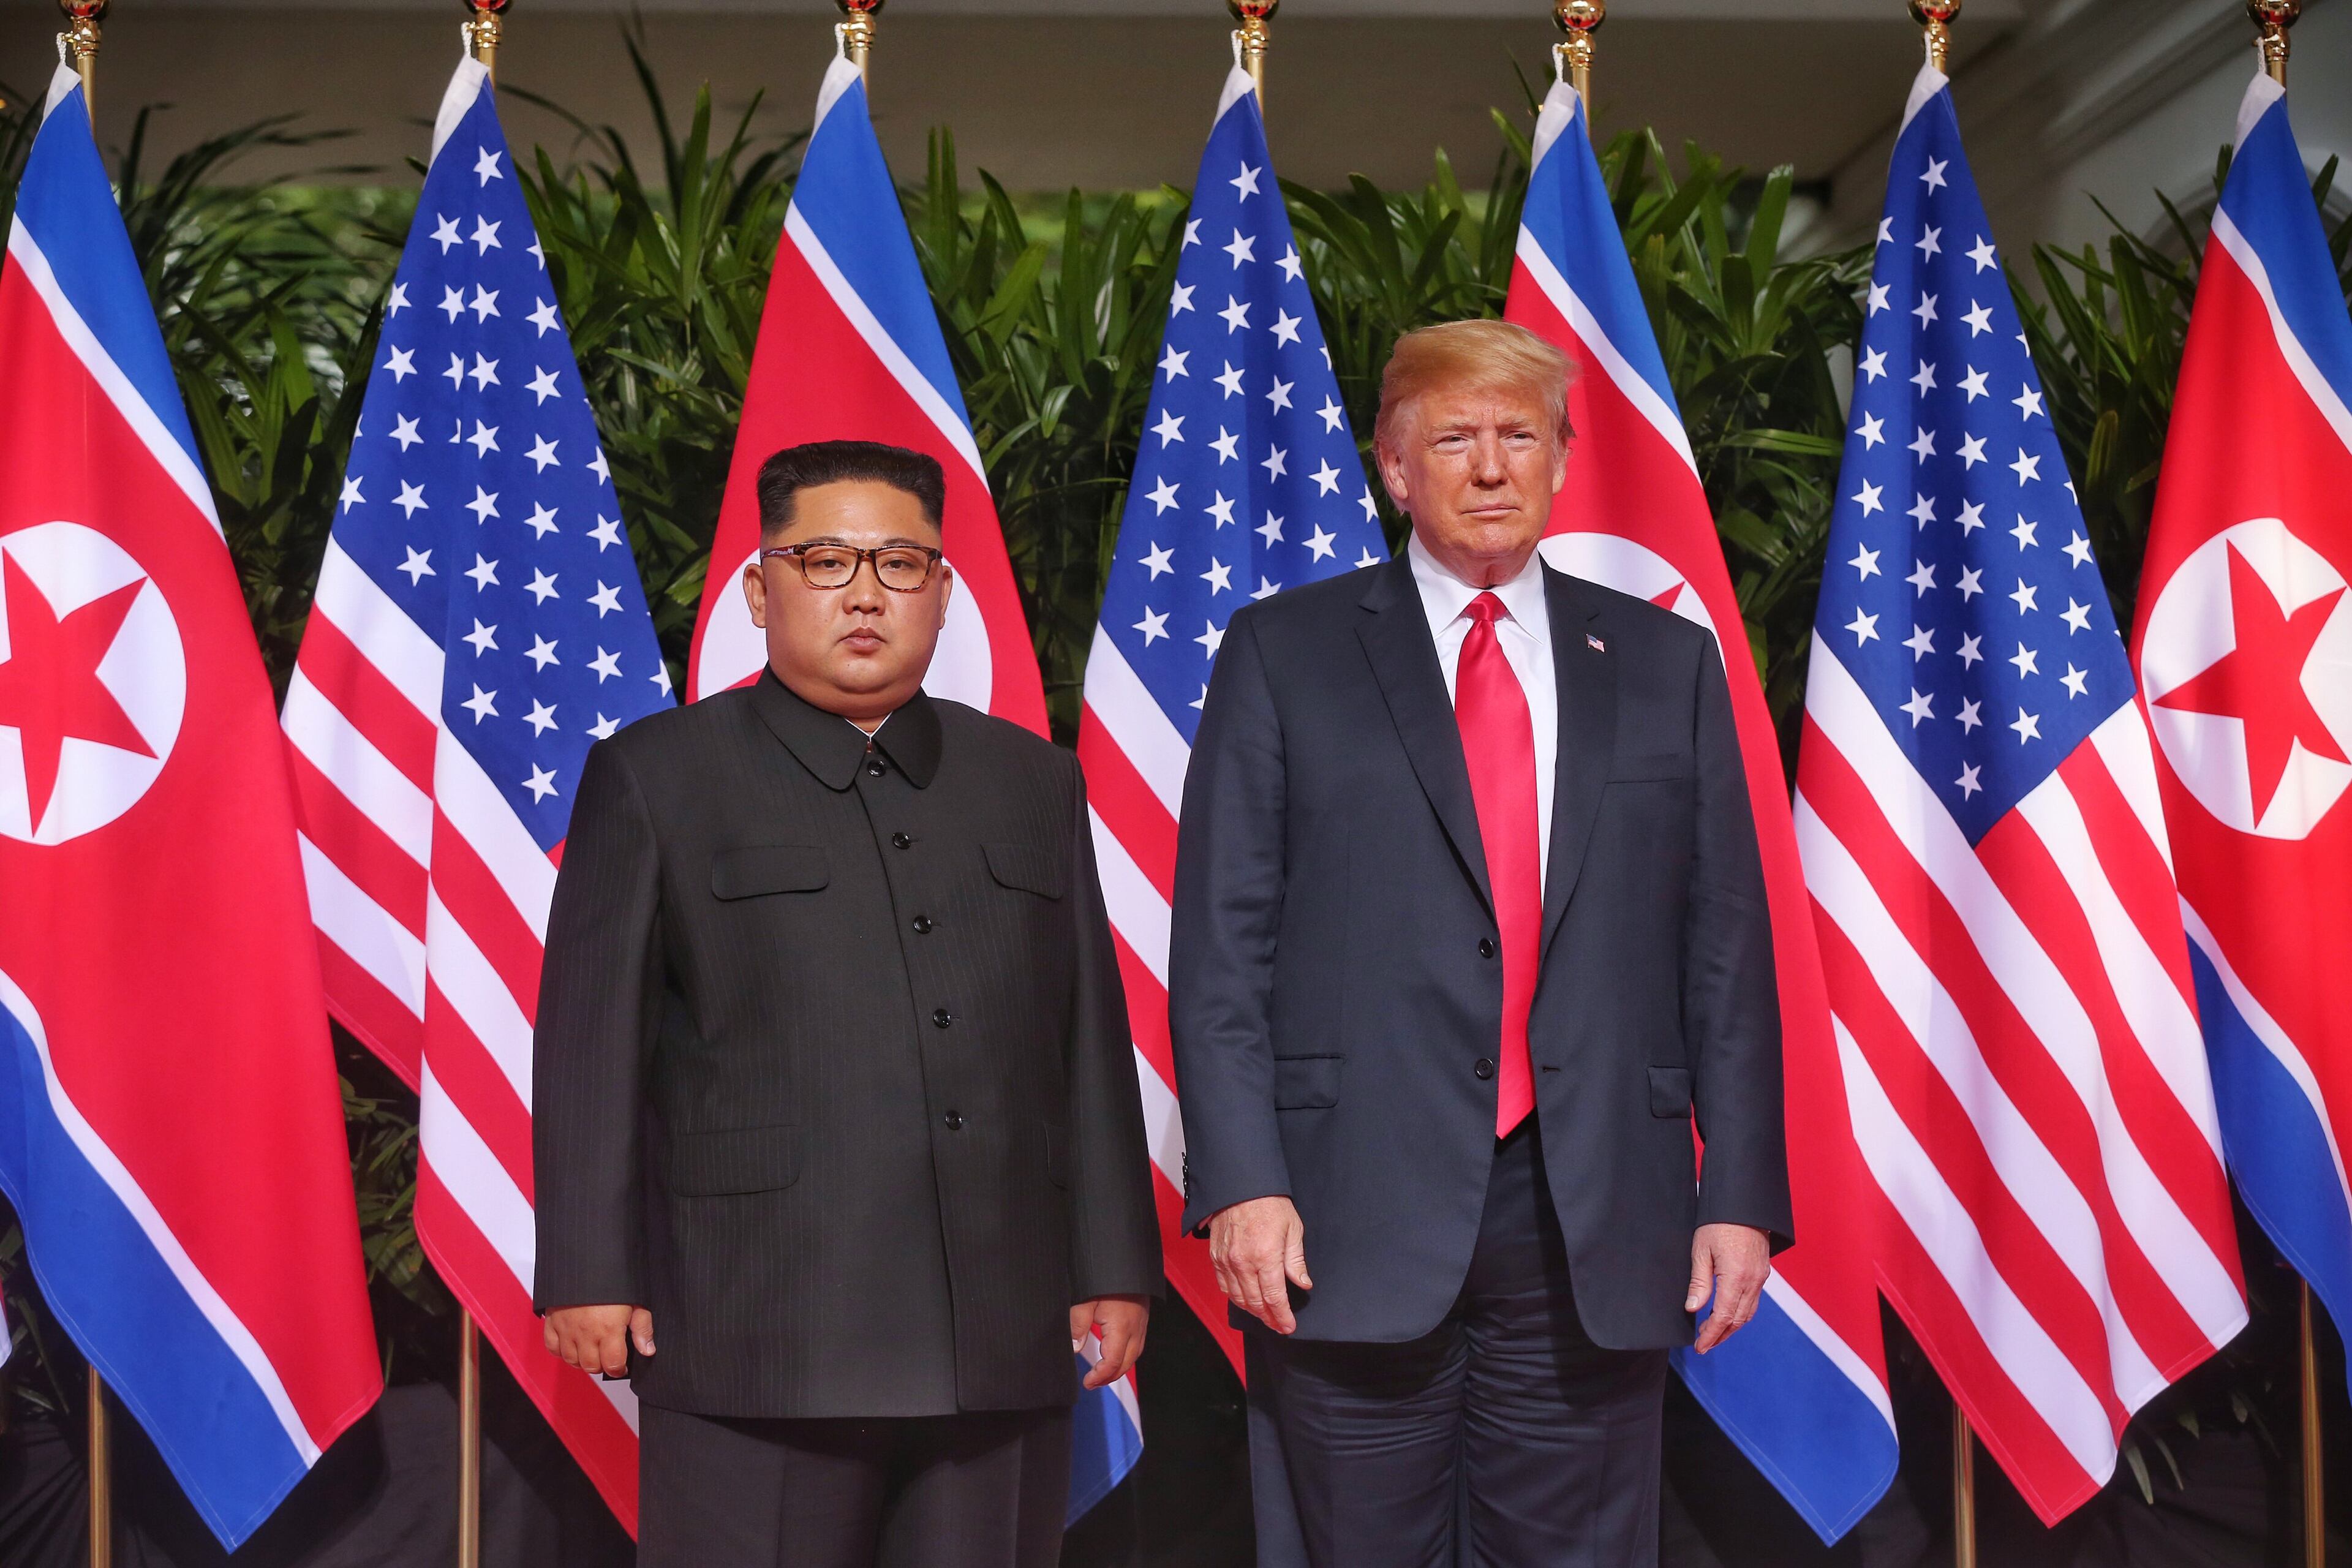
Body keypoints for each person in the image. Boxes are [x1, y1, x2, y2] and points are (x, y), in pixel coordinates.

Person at [1170, 318, 1790, 1566]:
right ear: (1397, 467)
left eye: (1520, 434)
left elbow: (1723, 944)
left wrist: (1740, 1191)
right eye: (1456, 436)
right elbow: (1222, 947)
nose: (1492, 464)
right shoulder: (1283, 653)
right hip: (1345, 1212)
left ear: (1565, 456)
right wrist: (1240, 1175)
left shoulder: (1667, 661)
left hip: (1597, 1212)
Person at [532, 439, 1160, 1568]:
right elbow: (591, 1047)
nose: (865, 592)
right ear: (761, 592)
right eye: (824, 560)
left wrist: (1113, 1260)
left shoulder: (1031, 779)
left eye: (901, 564)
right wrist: (587, 1268)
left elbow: (1087, 1043)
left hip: (996, 1323)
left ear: (945, 593)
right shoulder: (657, 775)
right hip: (758, 1324)